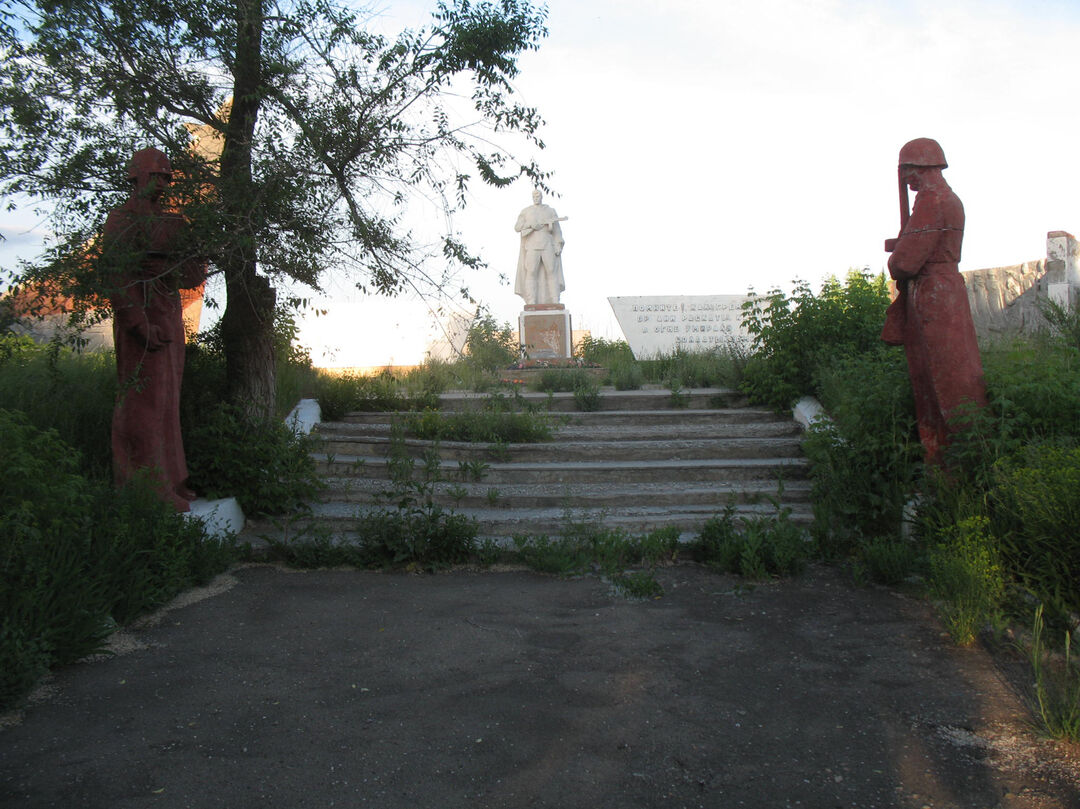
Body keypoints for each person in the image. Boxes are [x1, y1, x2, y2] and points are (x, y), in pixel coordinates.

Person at [103, 147, 205, 511]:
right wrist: (138, 322)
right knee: (142, 401)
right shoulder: (122, 219)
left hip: (168, 312)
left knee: (167, 399)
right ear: (137, 177)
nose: (162, 182)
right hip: (142, 315)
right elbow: (116, 275)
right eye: (156, 175)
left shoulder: (171, 222)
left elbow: (191, 277)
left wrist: (197, 245)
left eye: (166, 177)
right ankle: (143, 483)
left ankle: (171, 477)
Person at [883, 137, 986, 466]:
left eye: (910, 171)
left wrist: (897, 253)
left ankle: (949, 464)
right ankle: (951, 461)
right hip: (942, 291)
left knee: (941, 383)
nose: (907, 179)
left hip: (933, 297)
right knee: (946, 377)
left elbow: (904, 263)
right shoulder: (947, 199)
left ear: (922, 168)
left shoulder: (932, 201)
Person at [514, 189, 565, 305]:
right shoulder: (526, 211)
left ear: (541, 196)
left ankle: (555, 300)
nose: (536, 197)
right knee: (531, 272)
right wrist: (530, 224)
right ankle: (531, 302)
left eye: (538, 195)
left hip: (547, 244)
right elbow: (517, 227)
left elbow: (557, 230)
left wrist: (558, 244)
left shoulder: (550, 211)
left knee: (551, 271)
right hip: (531, 246)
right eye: (534, 195)